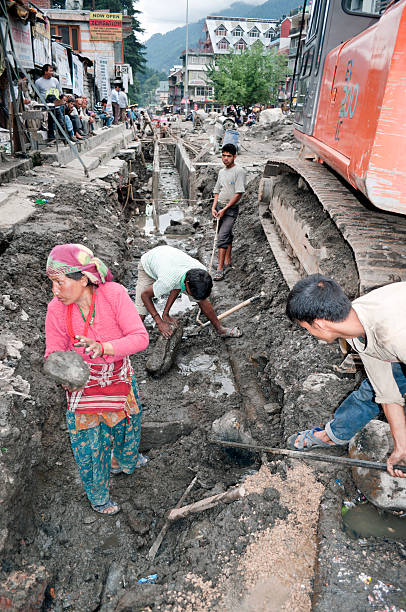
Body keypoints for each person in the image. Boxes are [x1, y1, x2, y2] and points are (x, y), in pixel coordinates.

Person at [45, 244, 149, 515]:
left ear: (83, 278)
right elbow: (53, 352)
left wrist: (104, 348)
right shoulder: (56, 310)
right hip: (84, 385)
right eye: (52, 283)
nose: (55, 291)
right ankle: (99, 497)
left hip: (118, 376)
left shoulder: (113, 295)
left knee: (128, 425)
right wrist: (63, 372)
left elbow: (140, 338)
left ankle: (124, 461)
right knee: (91, 448)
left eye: (59, 282)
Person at [286, 274, 406, 478]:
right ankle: (333, 435)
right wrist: (401, 448)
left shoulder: (396, 334)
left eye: (306, 329)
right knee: (372, 392)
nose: (310, 334)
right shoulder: (356, 324)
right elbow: (386, 390)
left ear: (320, 324)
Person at [135, 245, 242, 339]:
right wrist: (159, 322)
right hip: (148, 264)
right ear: (186, 283)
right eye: (192, 293)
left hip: (169, 261)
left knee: (202, 300)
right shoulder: (168, 281)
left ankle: (220, 329)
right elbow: (145, 295)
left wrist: (165, 313)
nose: (194, 297)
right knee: (141, 311)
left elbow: (177, 286)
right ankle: (133, 337)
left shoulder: (201, 271)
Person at [211, 143, 246, 281]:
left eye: (229, 156)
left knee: (222, 236)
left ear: (234, 157)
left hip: (230, 210)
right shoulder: (221, 172)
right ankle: (227, 261)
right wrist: (214, 207)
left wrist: (225, 209)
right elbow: (216, 191)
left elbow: (238, 193)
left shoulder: (239, 172)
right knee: (226, 235)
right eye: (224, 156)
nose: (226, 158)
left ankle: (219, 269)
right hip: (220, 208)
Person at [35, 64, 63, 144]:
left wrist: (59, 102)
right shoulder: (38, 82)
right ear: (45, 72)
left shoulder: (55, 80)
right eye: (50, 71)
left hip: (55, 104)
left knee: (60, 121)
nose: (52, 72)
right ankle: (51, 138)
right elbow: (37, 94)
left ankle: (64, 138)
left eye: (52, 70)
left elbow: (60, 92)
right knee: (50, 122)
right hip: (46, 105)